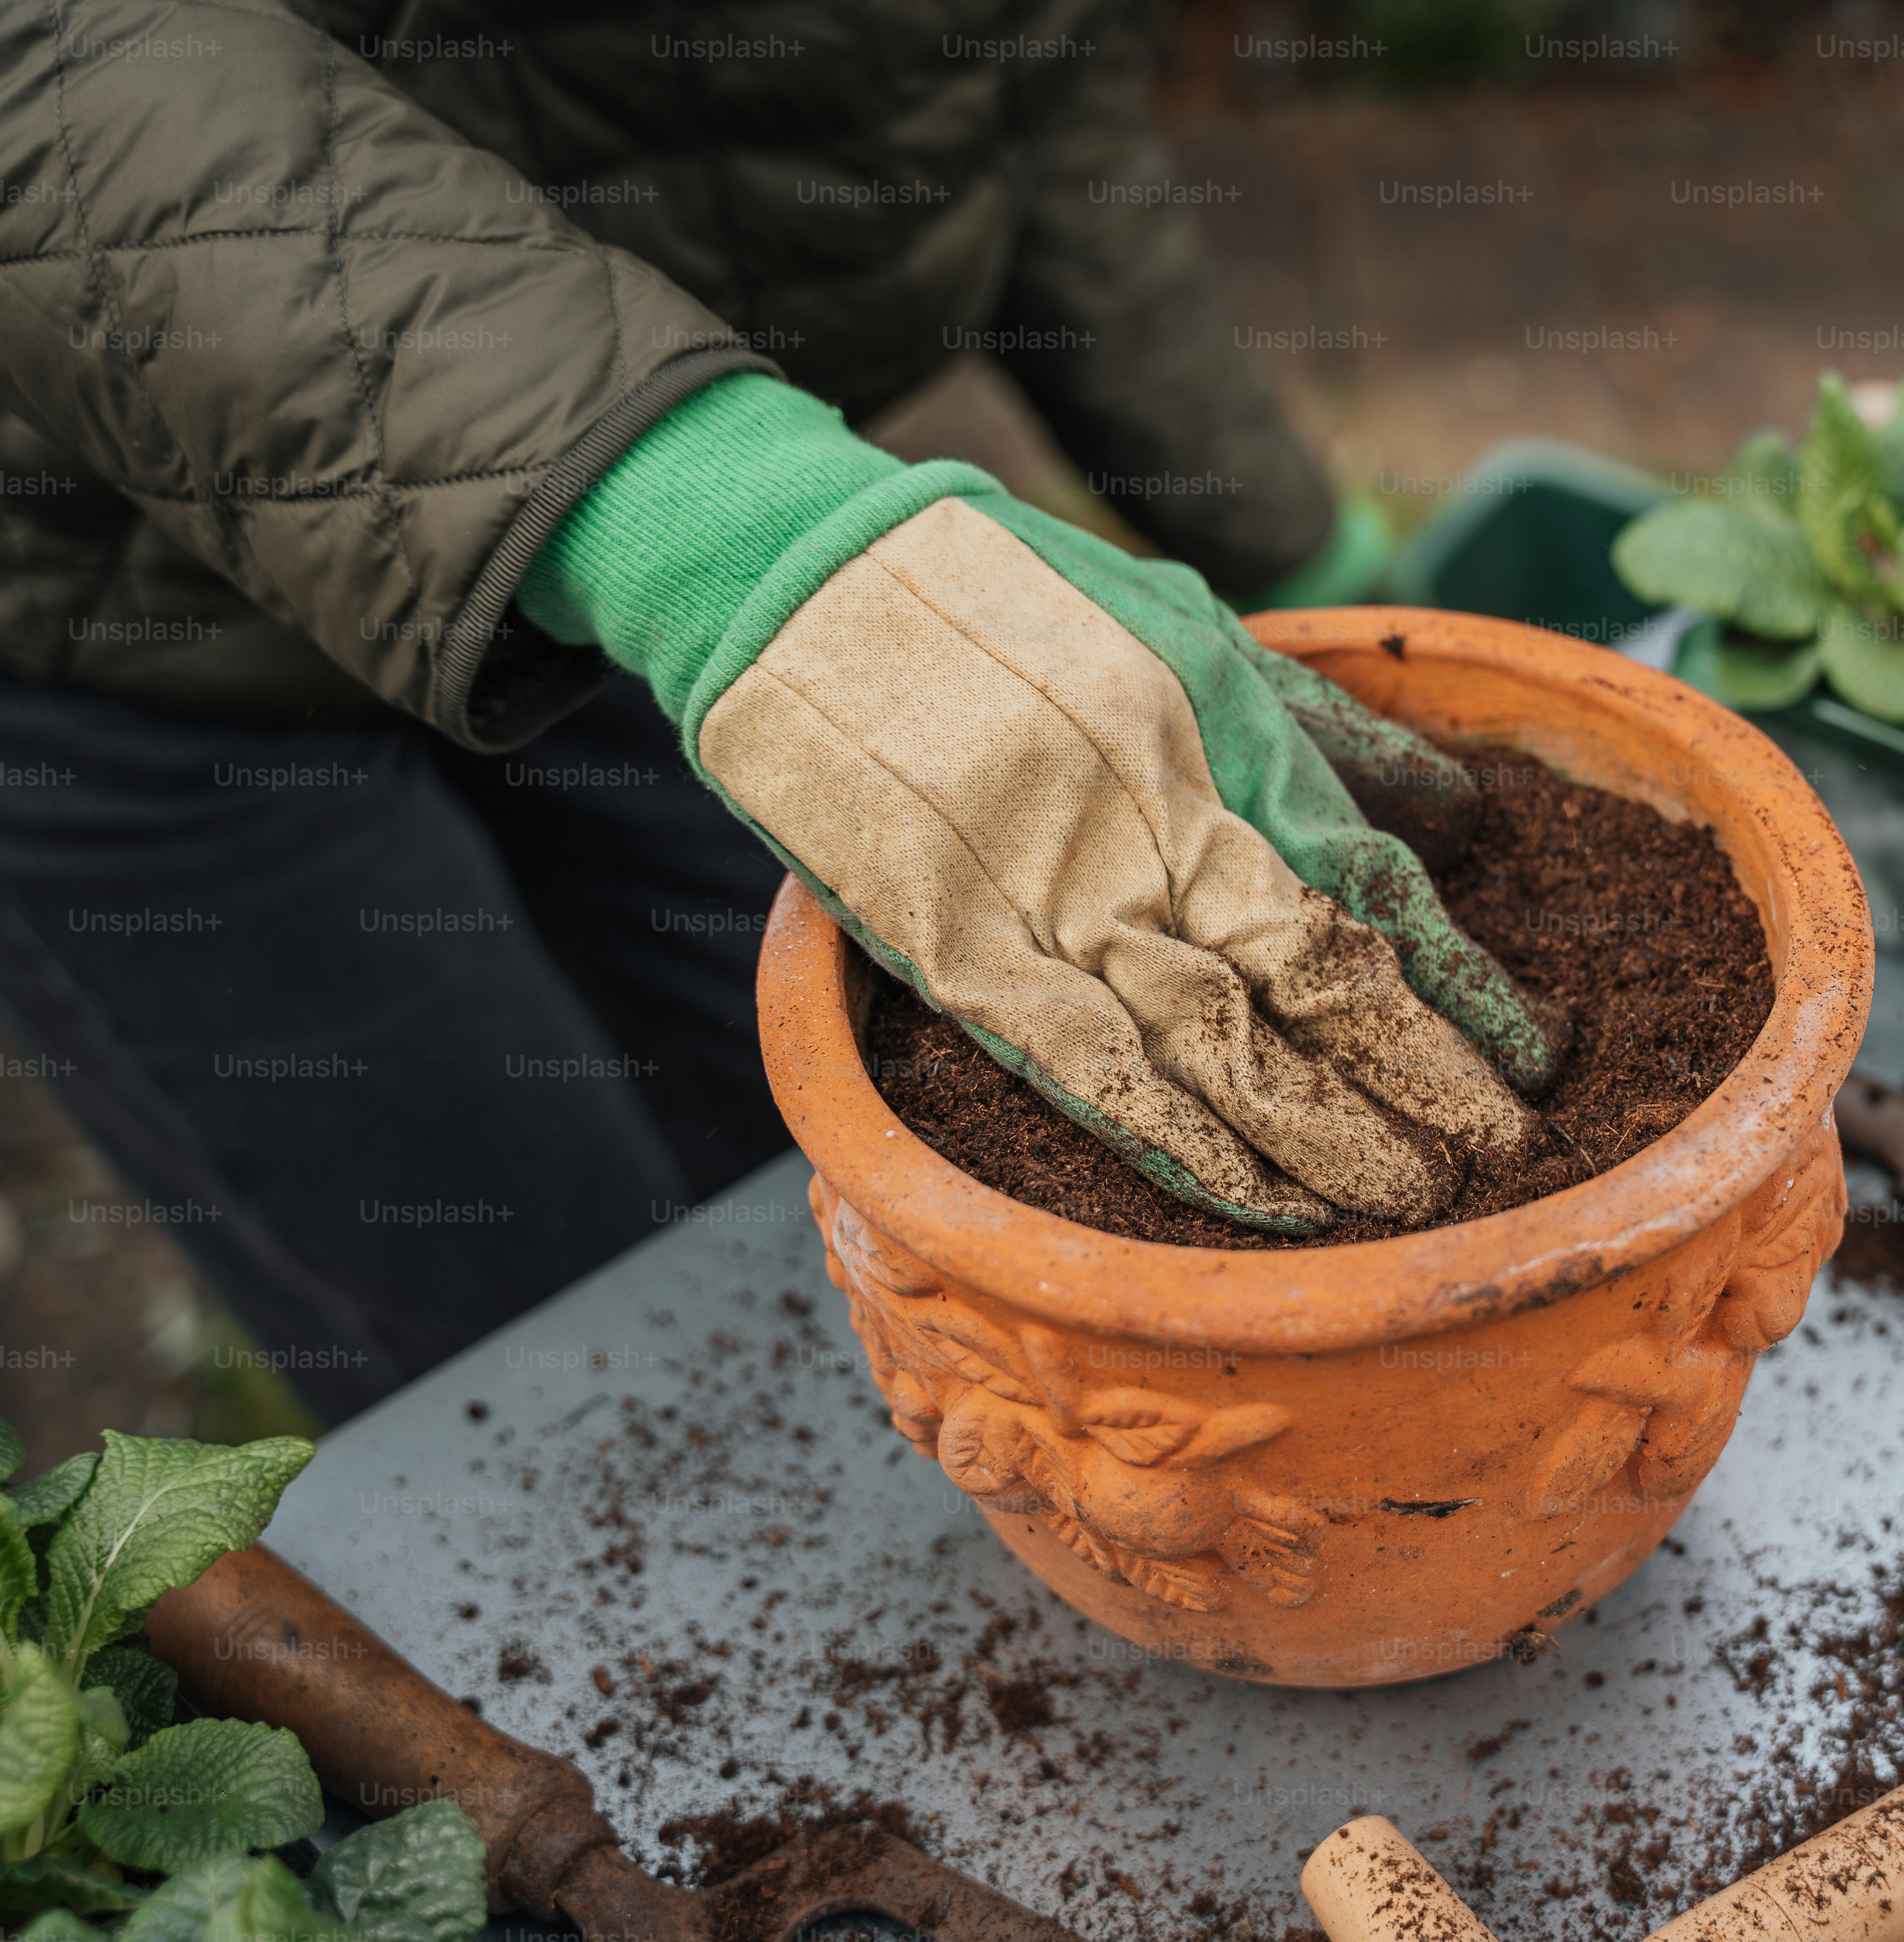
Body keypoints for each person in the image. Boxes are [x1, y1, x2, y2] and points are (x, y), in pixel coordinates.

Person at [0, 0, 1554, 1421]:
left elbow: (1008, 73)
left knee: (848, 1144)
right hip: (114, 620)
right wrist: (701, 515)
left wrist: (1296, 544)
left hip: (611, 535)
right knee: (542, 1342)